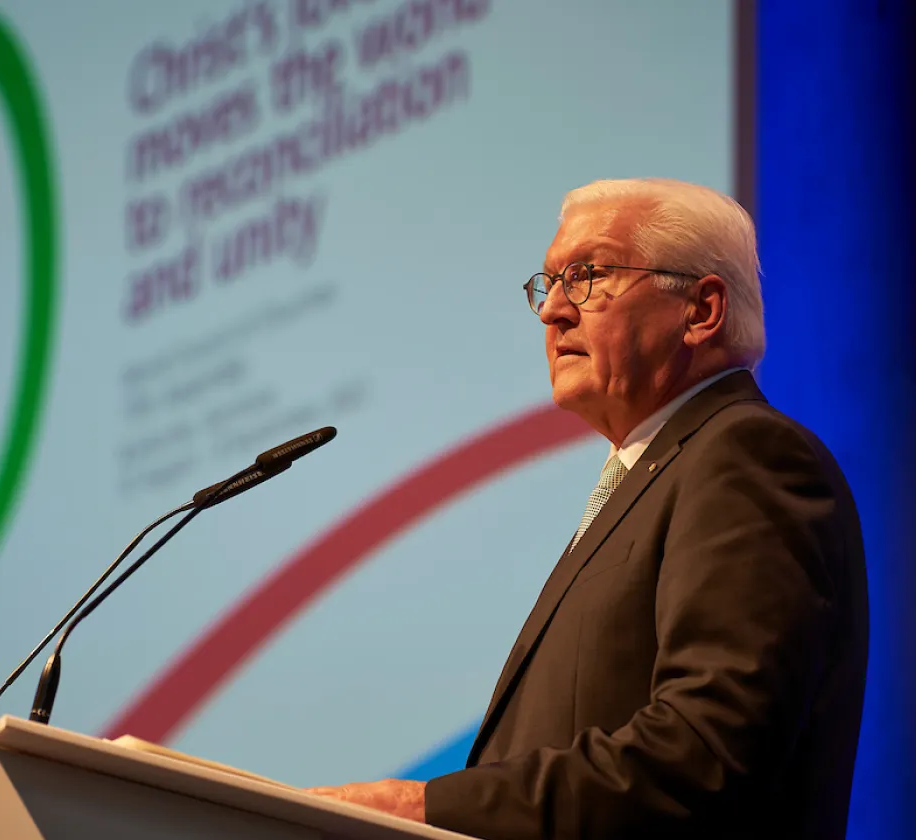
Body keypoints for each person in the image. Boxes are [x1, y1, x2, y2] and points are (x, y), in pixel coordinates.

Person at [305, 178, 869, 839]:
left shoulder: (747, 455)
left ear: (702, 310)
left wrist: (424, 810)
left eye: (589, 275)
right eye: (549, 284)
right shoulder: (650, 477)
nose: (553, 313)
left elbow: (705, 753)